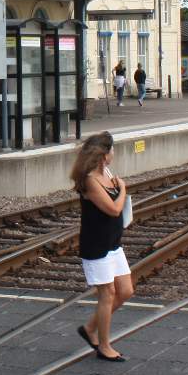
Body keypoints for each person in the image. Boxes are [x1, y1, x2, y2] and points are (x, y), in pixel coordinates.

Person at [72, 131, 133, 361]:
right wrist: (123, 188)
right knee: (107, 295)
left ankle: (89, 329)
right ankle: (104, 346)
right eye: (112, 149)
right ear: (103, 155)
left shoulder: (105, 173)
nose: (114, 153)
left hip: (113, 243)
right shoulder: (90, 181)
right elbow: (114, 209)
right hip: (96, 246)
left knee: (125, 291)